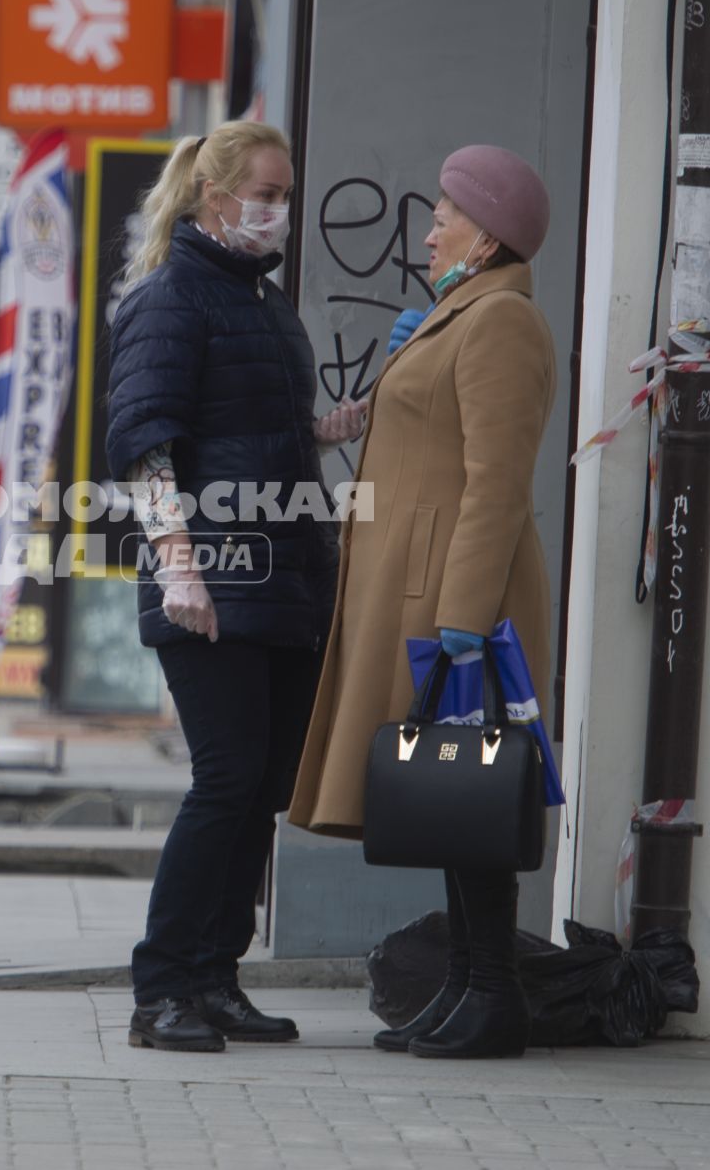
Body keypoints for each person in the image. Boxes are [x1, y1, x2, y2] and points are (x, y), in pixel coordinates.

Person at [288, 145, 558, 1060]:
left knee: (471, 788)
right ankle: (466, 983)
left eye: (447, 213)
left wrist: (465, 617)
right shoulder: (461, 316)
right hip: (422, 589)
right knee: (451, 791)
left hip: (454, 600)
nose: (431, 225)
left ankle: (493, 991)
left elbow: (497, 484)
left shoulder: (501, 326)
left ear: (485, 239)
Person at [104, 120, 368, 1053]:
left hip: (281, 578)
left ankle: (217, 977)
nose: (282, 210)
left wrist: (334, 429)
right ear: (218, 200)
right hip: (211, 580)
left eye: (288, 193)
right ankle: (161, 989)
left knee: (261, 784)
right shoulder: (172, 297)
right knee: (223, 781)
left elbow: (259, 433)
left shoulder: (259, 302)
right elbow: (146, 438)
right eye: (270, 192)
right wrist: (178, 562)